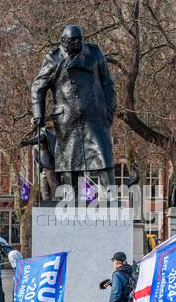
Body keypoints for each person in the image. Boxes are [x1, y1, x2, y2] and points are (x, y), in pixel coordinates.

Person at [31, 24, 116, 199]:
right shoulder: (53, 59)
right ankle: (71, 199)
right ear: (63, 41)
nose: (77, 43)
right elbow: (38, 87)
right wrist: (38, 114)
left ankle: (111, 197)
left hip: (95, 115)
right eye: (72, 40)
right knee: (70, 161)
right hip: (67, 118)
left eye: (80, 39)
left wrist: (110, 107)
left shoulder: (94, 53)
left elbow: (107, 82)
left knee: (103, 156)